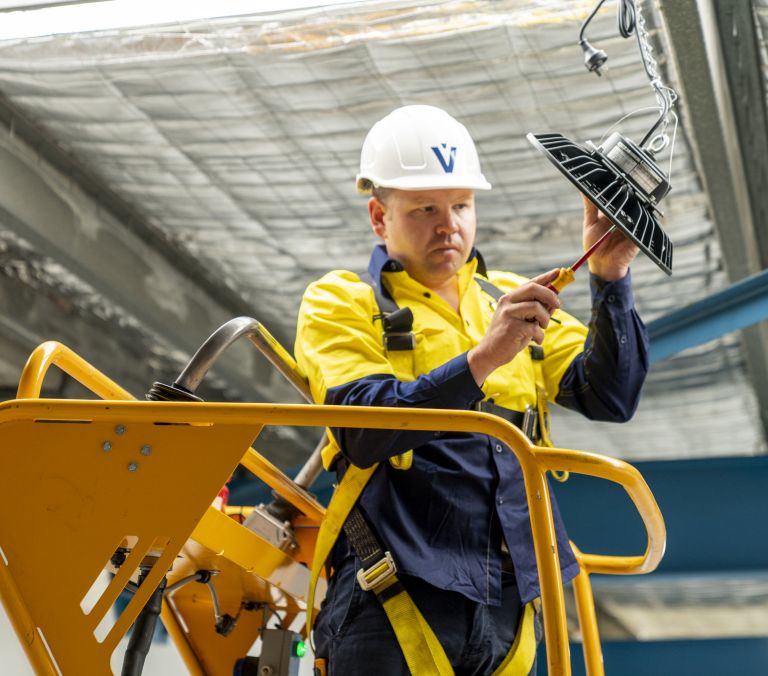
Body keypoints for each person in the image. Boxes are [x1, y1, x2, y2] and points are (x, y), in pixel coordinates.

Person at [295, 104, 648, 675]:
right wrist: (484, 358)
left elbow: (611, 396)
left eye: (461, 205)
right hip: (396, 589)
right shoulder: (343, 301)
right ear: (379, 217)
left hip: (513, 604)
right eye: (425, 208)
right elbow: (361, 429)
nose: (448, 225)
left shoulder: (511, 298)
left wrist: (611, 277)